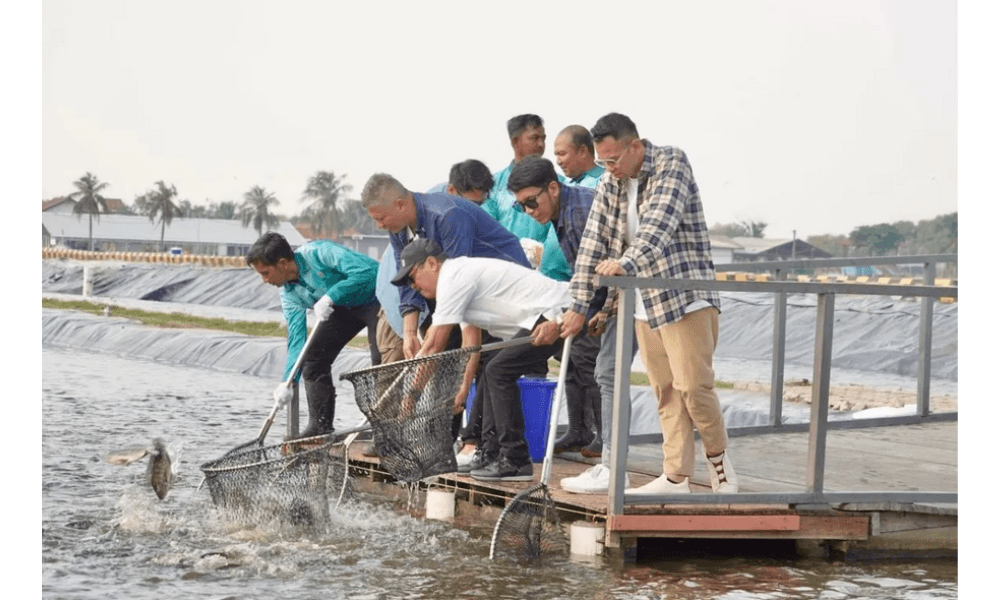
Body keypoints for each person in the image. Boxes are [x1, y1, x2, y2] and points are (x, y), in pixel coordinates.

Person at [559, 113, 739, 495]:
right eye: (603, 162)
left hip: (683, 295)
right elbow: (593, 240)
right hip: (640, 301)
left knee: (694, 386)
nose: (609, 169)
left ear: (635, 147)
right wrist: (578, 303)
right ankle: (676, 477)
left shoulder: (672, 163)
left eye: (613, 160)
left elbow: (659, 226)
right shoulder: (611, 182)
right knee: (666, 391)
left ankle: (719, 461)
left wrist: (625, 262)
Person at [362, 172, 537, 440]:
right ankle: (442, 439)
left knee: (487, 363)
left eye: (381, 218)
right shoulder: (398, 231)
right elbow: (409, 283)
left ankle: (479, 443)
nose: (379, 225)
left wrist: (412, 394)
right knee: (443, 357)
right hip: (467, 291)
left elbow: (460, 285)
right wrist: (409, 334)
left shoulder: (447, 215)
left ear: (399, 204)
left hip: (502, 288)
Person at [395, 237, 571, 482]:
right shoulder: (457, 280)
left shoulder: (453, 278)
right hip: (535, 318)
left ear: (432, 263)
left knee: (499, 371)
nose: (412, 286)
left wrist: (409, 399)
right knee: (493, 368)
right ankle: (489, 453)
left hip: (557, 311)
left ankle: (516, 460)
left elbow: (434, 345)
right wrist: (463, 390)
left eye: (412, 277)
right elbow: (472, 345)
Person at [507, 156, 603, 454]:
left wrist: (581, 310)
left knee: (595, 366)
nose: (528, 212)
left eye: (532, 202)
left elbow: (597, 271)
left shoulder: (580, 213)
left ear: (553, 188)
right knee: (573, 357)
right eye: (521, 206)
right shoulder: (562, 213)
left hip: (610, 295)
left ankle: (607, 442)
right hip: (583, 292)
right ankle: (579, 431)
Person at [246, 232, 380, 438]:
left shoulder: (320, 253)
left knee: (382, 360)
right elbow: (297, 340)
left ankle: (384, 430)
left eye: (265, 273)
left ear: (282, 263)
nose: (264, 280)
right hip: (342, 308)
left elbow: (370, 272)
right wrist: (287, 382)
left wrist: (331, 296)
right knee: (313, 358)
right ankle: (320, 426)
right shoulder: (288, 294)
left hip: (375, 297)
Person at [487, 113, 572, 282]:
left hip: (550, 275)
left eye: (543, 138)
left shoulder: (559, 185)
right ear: (515, 141)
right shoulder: (492, 186)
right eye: (534, 138)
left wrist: (543, 254)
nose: (541, 144)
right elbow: (486, 230)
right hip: (505, 273)